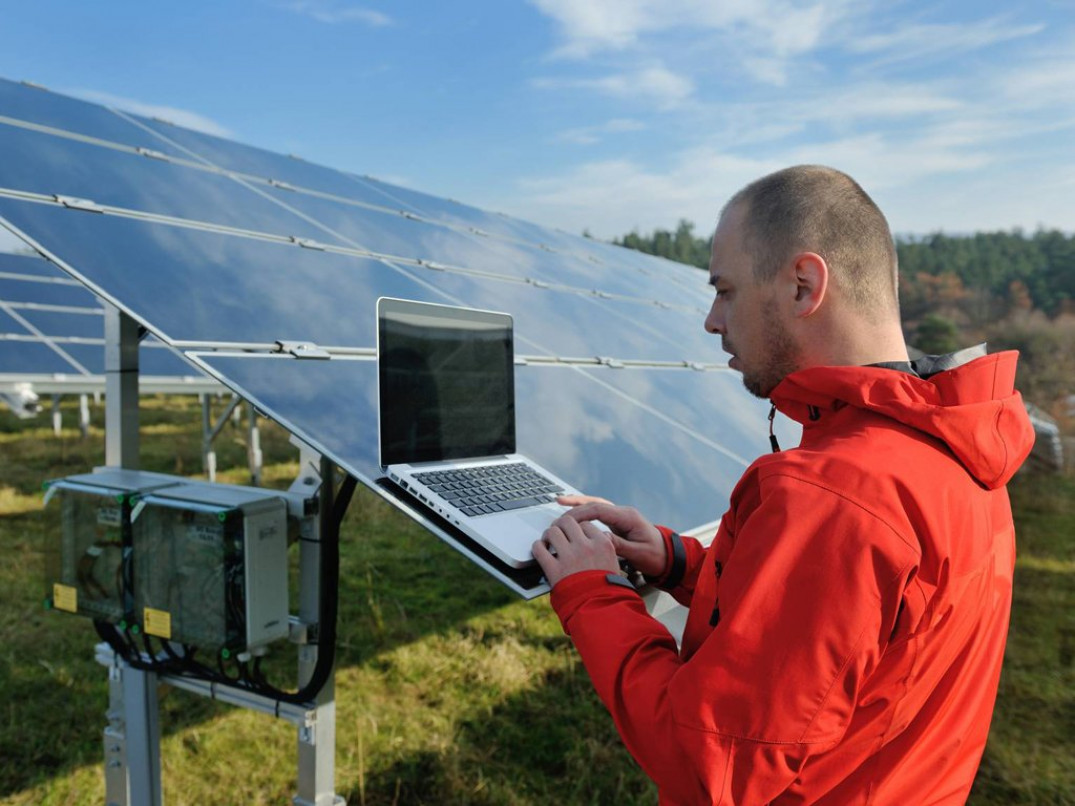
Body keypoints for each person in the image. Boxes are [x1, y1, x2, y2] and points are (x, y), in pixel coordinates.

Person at [533, 165, 1035, 804]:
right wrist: (678, 560)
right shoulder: (951, 450)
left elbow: (704, 763)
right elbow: (847, 638)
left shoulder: (837, 498)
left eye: (725, 291)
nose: (712, 321)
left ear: (803, 285)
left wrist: (592, 593)